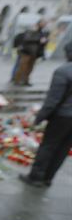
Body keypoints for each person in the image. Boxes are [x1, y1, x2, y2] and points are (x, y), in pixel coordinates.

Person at [19, 41, 72, 187]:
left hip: (62, 116)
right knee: (63, 148)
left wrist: (39, 118)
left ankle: (36, 177)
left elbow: (53, 100)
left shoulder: (63, 71)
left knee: (48, 146)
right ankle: (48, 178)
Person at [13, 20, 49, 86]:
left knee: (30, 68)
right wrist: (39, 40)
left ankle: (25, 80)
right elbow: (27, 39)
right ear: (39, 23)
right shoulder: (32, 30)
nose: (44, 25)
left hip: (35, 53)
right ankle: (17, 81)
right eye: (43, 23)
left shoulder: (42, 32)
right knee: (22, 67)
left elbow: (43, 42)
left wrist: (45, 41)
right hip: (27, 52)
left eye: (45, 24)